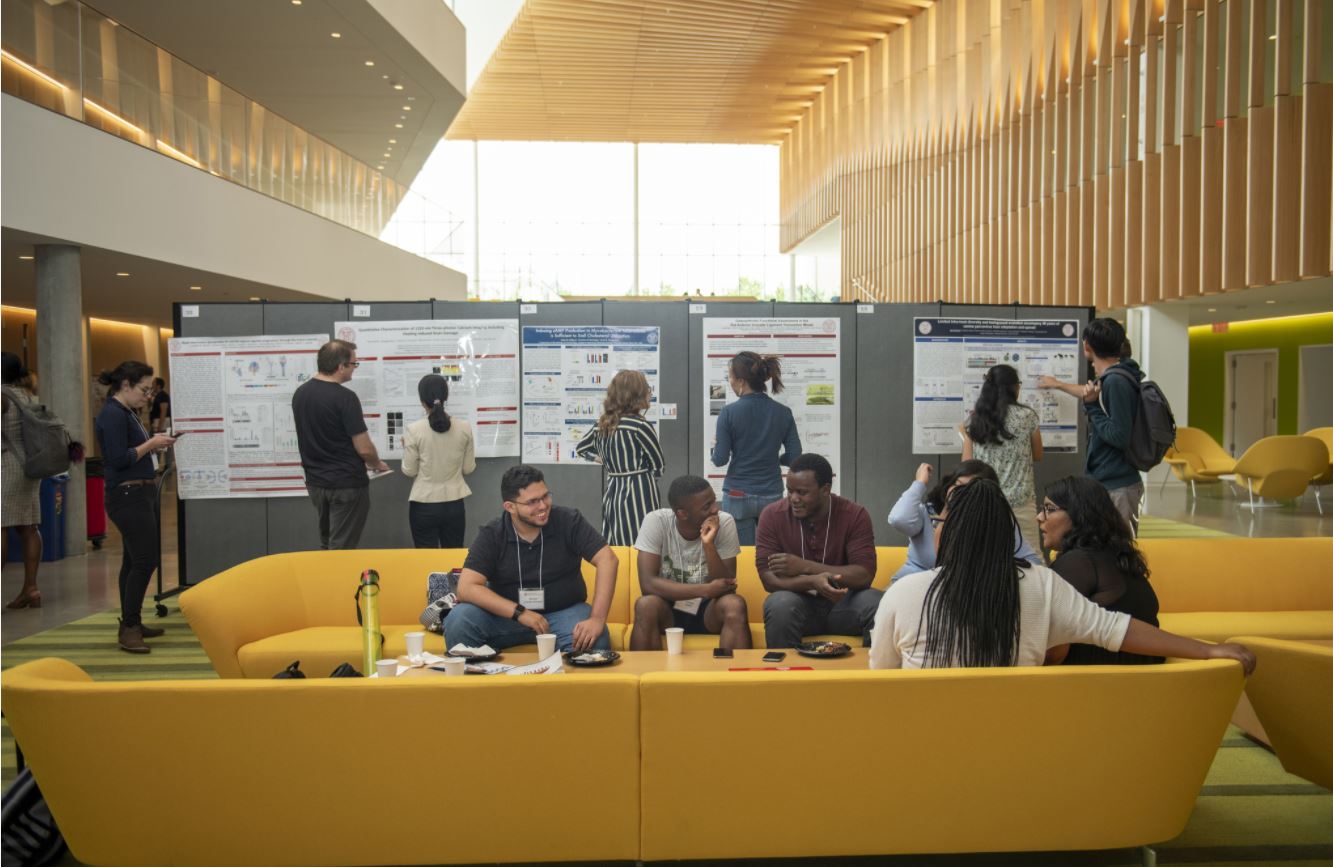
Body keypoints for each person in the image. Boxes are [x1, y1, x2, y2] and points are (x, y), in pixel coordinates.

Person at [868, 479, 1255, 673]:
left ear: (947, 534)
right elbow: (1117, 630)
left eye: (939, 522)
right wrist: (1207, 649)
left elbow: (882, 677)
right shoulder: (1040, 585)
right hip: (1018, 747)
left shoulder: (906, 593)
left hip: (927, 742)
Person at [446, 464, 617, 653]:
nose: (543, 506)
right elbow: (466, 587)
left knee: (596, 639)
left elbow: (607, 560)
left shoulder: (569, 521)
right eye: (532, 502)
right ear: (510, 507)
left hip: (564, 613)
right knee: (459, 621)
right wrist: (520, 612)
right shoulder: (492, 533)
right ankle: (479, 680)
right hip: (506, 618)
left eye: (545, 496)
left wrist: (597, 619)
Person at [94, 361, 178, 653]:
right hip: (126, 495)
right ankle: (129, 628)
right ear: (125, 385)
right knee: (145, 560)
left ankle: (132, 621)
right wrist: (151, 443)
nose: (147, 396)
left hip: (138, 492)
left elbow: (132, 453)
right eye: (144, 389)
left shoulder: (126, 412)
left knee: (133, 561)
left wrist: (153, 445)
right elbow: (118, 459)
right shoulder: (112, 415)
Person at [756, 452, 880, 648]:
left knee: (877, 603)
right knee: (780, 604)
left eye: (802, 492)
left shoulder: (854, 515)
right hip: (799, 604)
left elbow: (864, 574)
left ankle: (870, 676)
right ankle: (784, 675)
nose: (793, 499)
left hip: (844, 604)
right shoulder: (772, 516)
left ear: (825, 489)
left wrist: (804, 566)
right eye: (790, 491)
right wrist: (812, 581)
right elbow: (768, 580)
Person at [1038, 476, 1163, 666]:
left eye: (1049, 509)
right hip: (1146, 674)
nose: (1039, 517)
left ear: (1079, 514)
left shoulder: (1077, 563)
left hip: (1100, 679)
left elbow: (1055, 652)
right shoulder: (1117, 554)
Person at [631, 474, 750, 651]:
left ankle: (734, 676)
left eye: (714, 501)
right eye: (706, 506)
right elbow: (648, 584)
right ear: (682, 513)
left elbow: (727, 584)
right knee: (645, 605)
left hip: (708, 610)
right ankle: (646, 676)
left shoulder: (724, 522)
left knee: (734, 604)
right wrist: (705, 589)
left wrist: (709, 545)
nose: (715, 509)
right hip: (668, 608)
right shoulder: (656, 521)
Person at [291, 339, 388, 550]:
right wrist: (376, 463)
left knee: (327, 543)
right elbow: (363, 447)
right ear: (340, 366)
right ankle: (334, 582)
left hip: (316, 484)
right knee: (342, 549)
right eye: (353, 364)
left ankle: (324, 581)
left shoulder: (301, 394)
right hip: (346, 485)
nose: (354, 368)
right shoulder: (346, 398)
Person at [887, 459, 1041, 582]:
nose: (961, 494)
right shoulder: (929, 511)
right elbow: (898, 519)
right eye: (957, 486)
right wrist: (920, 483)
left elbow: (1033, 563)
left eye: (970, 490)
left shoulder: (996, 522)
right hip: (911, 587)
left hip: (958, 598)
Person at [711, 351, 801, 544]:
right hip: (772, 494)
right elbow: (795, 456)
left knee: (741, 556)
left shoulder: (728, 413)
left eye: (730, 377)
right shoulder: (783, 413)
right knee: (772, 554)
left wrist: (714, 448)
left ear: (741, 381)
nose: (730, 382)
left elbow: (720, 460)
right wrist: (773, 458)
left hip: (737, 494)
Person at [575, 369, 664, 545]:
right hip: (640, 490)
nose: (650, 392)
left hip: (613, 488)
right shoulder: (640, 425)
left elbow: (581, 449)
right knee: (644, 541)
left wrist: (602, 460)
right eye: (647, 388)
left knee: (616, 538)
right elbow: (658, 466)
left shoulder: (601, 424)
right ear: (637, 395)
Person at [961, 363, 1042, 552]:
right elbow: (1038, 454)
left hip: (987, 502)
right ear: (1015, 387)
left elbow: (967, 465)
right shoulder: (1027, 416)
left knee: (989, 557)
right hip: (1021, 502)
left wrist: (965, 436)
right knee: (1031, 559)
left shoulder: (976, 420)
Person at [1076, 318, 1146, 534]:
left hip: (1118, 485)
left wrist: (1092, 406)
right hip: (1110, 482)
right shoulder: (1115, 378)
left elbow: (1119, 435)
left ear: (1087, 346)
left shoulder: (1115, 381)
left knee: (1120, 553)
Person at [402, 374, 475, 548]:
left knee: (426, 560)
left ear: (422, 400)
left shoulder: (414, 430)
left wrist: (405, 447)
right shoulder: (464, 427)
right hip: (455, 503)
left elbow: (409, 471)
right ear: (445, 397)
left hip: (423, 505)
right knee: (453, 558)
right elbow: (468, 468)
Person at [2, 353, 44, 610]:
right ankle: (31, 588)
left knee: (1, 527)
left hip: (7, 465)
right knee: (29, 527)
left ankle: (30, 590)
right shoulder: (26, 394)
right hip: (29, 466)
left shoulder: (3, 396)